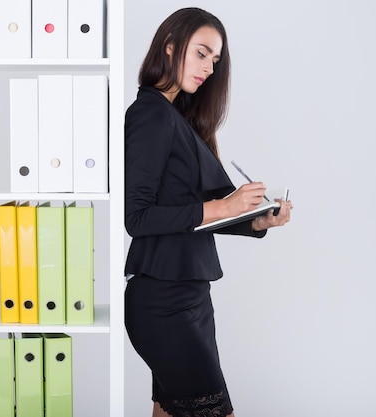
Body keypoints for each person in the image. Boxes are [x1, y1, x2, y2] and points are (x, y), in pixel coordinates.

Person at [124, 7, 292, 417]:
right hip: (164, 301)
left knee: (167, 410)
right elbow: (137, 217)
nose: (208, 68)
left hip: (191, 295)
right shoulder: (150, 113)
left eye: (214, 61)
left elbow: (196, 215)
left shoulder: (178, 118)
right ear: (170, 45)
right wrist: (223, 205)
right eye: (201, 53)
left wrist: (256, 218)